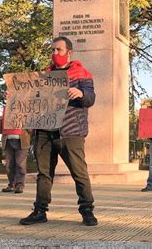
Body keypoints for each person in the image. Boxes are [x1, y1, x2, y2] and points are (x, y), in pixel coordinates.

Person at [20, 36, 97, 226]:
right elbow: (33, 100)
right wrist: (16, 96)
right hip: (45, 132)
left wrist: (81, 93)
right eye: (53, 50)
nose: (55, 54)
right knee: (44, 174)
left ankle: (87, 210)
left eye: (59, 50)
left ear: (69, 52)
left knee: (79, 173)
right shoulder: (44, 76)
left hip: (71, 132)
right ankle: (40, 211)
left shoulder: (82, 74)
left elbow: (90, 99)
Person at [0, 105, 31, 194]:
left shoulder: (25, 112)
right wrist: (0, 120)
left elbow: (31, 130)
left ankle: (19, 185)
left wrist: (24, 120)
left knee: (20, 164)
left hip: (21, 141)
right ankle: (11, 184)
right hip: (7, 141)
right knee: (9, 165)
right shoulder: (4, 112)